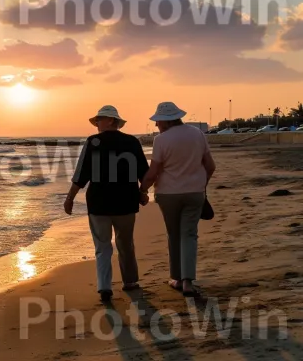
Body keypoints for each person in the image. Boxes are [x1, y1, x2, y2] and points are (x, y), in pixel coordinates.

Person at [64, 105, 150, 303]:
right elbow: (144, 172)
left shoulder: (93, 142)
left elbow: (81, 173)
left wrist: (70, 198)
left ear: (110, 121)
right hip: (126, 202)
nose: (97, 125)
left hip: (99, 203)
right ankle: (130, 282)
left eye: (99, 120)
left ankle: (104, 286)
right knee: (125, 243)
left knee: (102, 246)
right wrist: (143, 192)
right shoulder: (132, 142)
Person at [140, 102, 216, 297]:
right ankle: (188, 282)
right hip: (194, 193)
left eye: (158, 121)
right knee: (189, 235)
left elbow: (154, 172)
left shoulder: (161, 140)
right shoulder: (197, 134)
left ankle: (177, 278)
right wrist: (202, 184)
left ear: (166, 121)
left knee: (173, 235)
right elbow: (210, 165)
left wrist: (142, 190)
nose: (156, 125)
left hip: (168, 195)